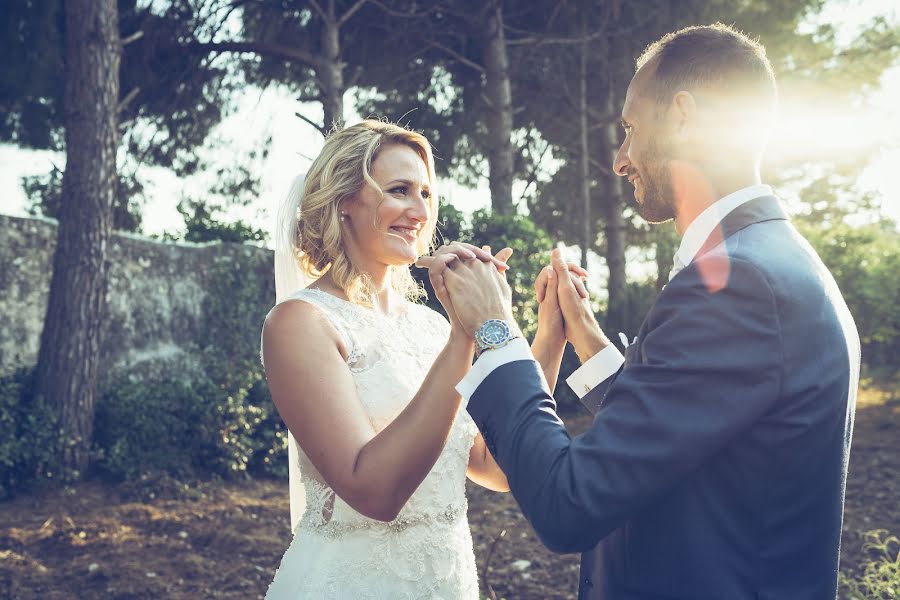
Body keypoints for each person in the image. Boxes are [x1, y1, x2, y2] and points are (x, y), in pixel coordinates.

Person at [420, 24, 861, 600]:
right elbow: (692, 418)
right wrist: (584, 335)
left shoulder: (742, 282)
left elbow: (570, 502)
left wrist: (496, 331)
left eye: (630, 129)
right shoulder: (767, 258)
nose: (621, 160)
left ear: (682, 116)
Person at [260, 119, 573, 598]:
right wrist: (464, 336)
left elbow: (497, 468)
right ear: (344, 201)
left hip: (446, 582)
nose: (419, 210)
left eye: (426, 194)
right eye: (400, 190)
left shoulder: (430, 327)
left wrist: (551, 332)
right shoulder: (301, 323)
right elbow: (373, 492)